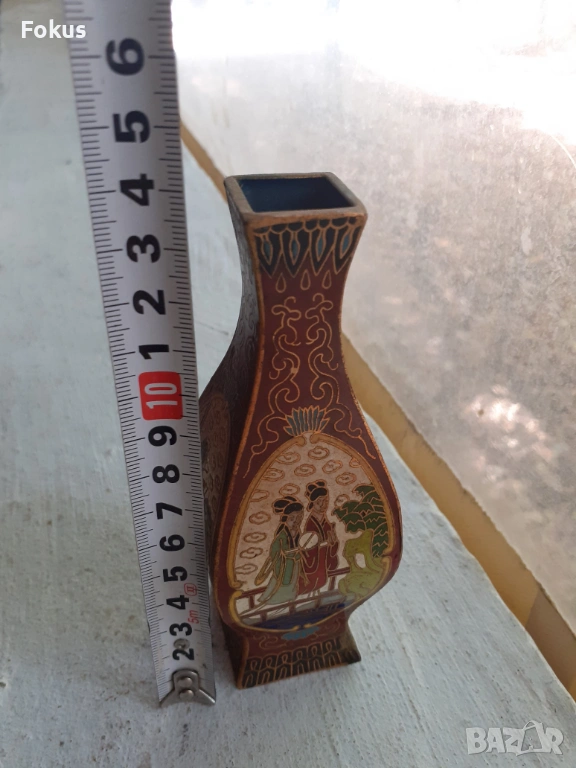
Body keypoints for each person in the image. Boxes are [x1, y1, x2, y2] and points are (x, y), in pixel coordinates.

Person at [255, 496, 304, 606]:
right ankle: (275, 600)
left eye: (298, 518)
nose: (295, 521)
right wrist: (286, 554)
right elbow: (275, 549)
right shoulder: (282, 533)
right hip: (284, 564)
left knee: (293, 581)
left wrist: (298, 552)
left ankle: (290, 597)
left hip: (294, 562)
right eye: (292, 518)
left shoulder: (297, 531)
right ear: (285, 518)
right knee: (281, 582)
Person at [298, 480, 339, 595]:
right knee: (315, 582)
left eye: (325, 501)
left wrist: (333, 544)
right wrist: (321, 546)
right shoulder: (311, 523)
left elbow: (332, 545)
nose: (322, 505)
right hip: (315, 561)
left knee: (321, 581)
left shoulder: (325, 521)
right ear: (312, 503)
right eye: (318, 502)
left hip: (323, 561)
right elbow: (308, 548)